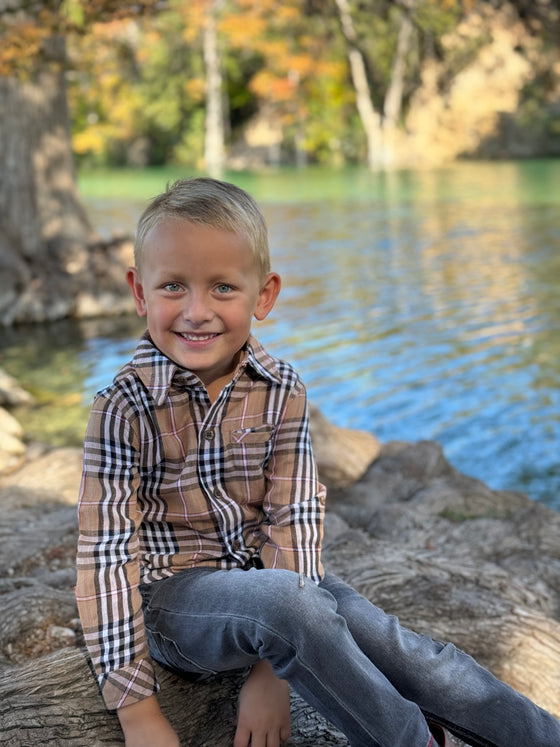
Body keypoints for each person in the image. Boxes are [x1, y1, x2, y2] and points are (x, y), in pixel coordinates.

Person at [76, 177, 560, 747]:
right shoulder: (121, 409)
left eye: (223, 287)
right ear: (139, 292)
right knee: (285, 602)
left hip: (278, 584)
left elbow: (296, 518)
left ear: (264, 295)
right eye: (173, 286)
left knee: (396, 645)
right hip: (175, 601)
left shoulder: (281, 388)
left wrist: (269, 676)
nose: (196, 311)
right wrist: (138, 714)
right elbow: (105, 560)